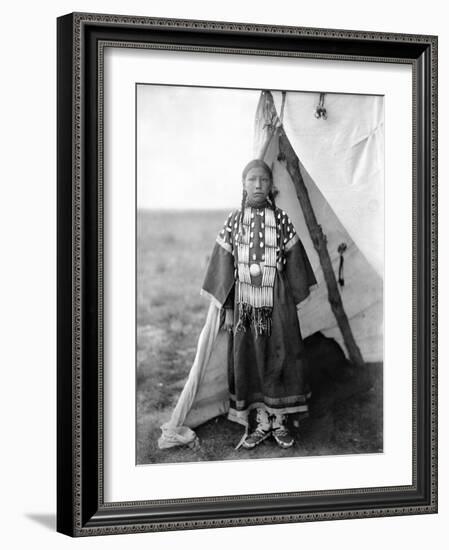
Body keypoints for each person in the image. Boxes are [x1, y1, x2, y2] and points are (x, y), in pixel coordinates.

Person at [201, 159, 317, 449]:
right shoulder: (233, 221)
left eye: (263, 180)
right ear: (243, 184)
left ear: (270, 186)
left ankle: (281, 421)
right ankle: (261, 420)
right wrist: (227, 308)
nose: (257, 185)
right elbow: (223, 266)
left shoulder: (281, 220)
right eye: (252, 179)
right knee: (249, 356)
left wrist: (289, 302)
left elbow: (296, 265)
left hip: (277, 300)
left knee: (281, 353)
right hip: (244, 303)